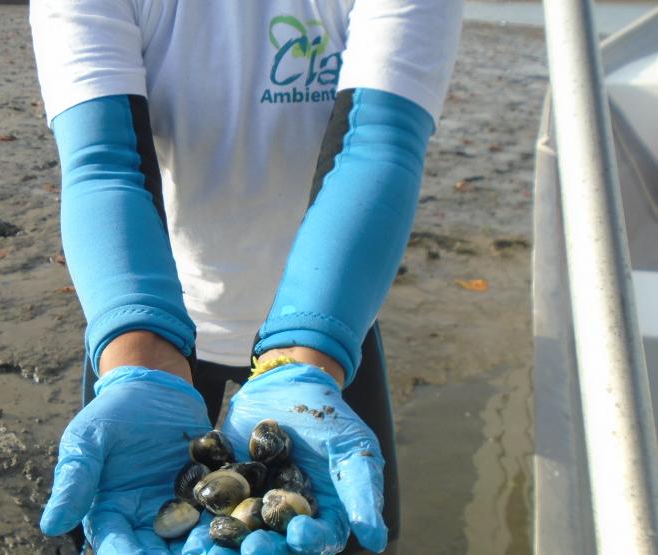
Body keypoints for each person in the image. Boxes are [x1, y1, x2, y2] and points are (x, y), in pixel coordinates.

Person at [29, 1, 462, 553]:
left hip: (329, 340)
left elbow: (379, 141)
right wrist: (137, 360)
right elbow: (101, 159)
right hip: (158, 330)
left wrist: (309, 353)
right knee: (117, 523)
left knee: (352, 535)